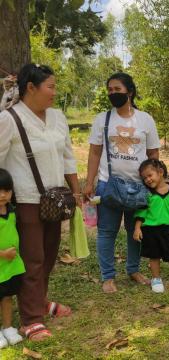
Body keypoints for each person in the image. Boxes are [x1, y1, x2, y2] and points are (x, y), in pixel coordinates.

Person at [0, 64, 81, 341]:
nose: (54, 93)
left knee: (47, 256)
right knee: (32, 259)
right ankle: (31, 319)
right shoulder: (9, 119)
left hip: (55, 201)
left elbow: (68, 156)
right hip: (25, 201)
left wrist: (77, 191)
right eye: (51, 87)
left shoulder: (57, 117)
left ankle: (39, 301)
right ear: (31, 88)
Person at [84, 72, 161, 293]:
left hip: (138, 186)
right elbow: (94, 153)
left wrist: (155, 181)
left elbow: (153, 153)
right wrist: (89, 182)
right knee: (106, 231)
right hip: (108, 184)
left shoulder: (145, 119)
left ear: (130, 91)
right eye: (109, 90)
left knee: (135, 230)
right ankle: (108, 277)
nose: (112, 94)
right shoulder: (102, 119)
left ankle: (133, 270)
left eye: (117, 89)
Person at [133, 159, 169, 293]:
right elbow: (141, 212)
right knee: (154, 256)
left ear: (160, 172)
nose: (147, 180)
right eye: (144, 178)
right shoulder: (146, 194)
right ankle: (156, 278)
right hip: (150, 230)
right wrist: (137, 228)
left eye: (149, 175)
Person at [0, 169, 24, 348]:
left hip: (11, 266)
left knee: (8, 296)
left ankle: (7, 327)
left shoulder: (12, 210)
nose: (2, 195)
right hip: (2, 261)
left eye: (6, 191)